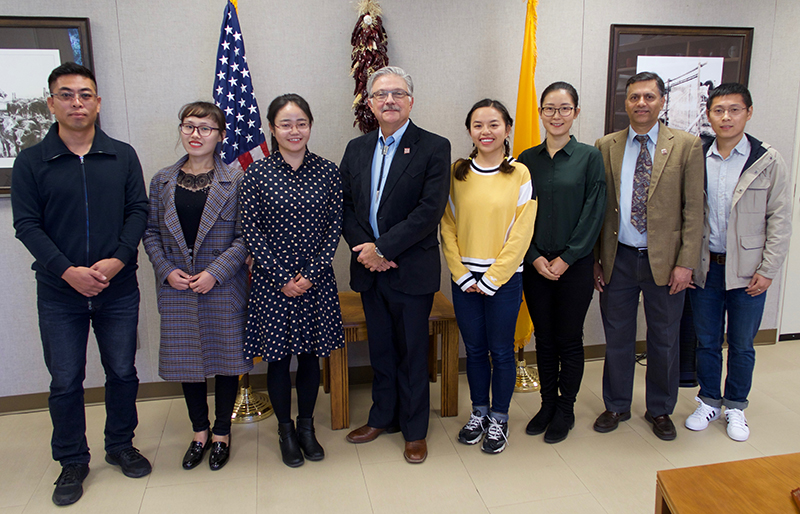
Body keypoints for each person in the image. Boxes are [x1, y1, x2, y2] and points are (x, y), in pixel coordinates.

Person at [11, 62, 150, 506]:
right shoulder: (32, 161)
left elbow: (138, 212)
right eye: (67, 94)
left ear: (98, 102)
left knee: (123, 372)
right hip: (59, 292)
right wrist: (68, 271)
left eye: (85, 94)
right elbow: (27, 225)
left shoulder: (122, 154)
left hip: (118, 287)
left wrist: (115, 261)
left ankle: (120, 445)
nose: (77, 102)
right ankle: (72, 460)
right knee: (66, 380)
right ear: (51, 103)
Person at [340, 66, 450, 464]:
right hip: (369, 272)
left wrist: (383, 249)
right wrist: (366, 251)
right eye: (381, 95)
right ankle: (382, 417)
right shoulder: (356, 149)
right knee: (382, 351)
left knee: (413, 353)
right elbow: (346, 208)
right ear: (369, 103)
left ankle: (415, 429)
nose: (389, 100)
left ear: (411, 101)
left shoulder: (434, 146)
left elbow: (428, 211)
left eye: (398, 94)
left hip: (410, 270)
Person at [593, 71, 704, 441]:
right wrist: (597, 259)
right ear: (625, 103)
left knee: (665, 339)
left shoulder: (687, 146)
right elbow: (599, 208)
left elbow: (694, 211)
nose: (641, 103)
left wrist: (686, 262)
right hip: (618, 258)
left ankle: (659, 409)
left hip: (667, 262)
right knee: (618, 337)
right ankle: (616, 404)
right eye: (634, 97)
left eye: (649, 97)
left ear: (662, 101)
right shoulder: (606, 145)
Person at [142, 101, 252, 471]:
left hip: (221, 287)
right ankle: (199, 432)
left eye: (205, 128)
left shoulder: (236, 179)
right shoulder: (162, 180)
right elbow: (151, 232)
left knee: (224, 359)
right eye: (188, 126)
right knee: (187, 363)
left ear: (220, 135)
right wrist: (166, 270)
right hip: (177, 288)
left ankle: (222, 432)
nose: (195, 134)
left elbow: (244, 237)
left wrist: (215, 272)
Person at [684, 83, 791, 442]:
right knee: (707, 340)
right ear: (709, 115)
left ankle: (736, 406)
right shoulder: (696, 155)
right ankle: (709, 399)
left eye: (734, 110)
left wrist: (768, 269)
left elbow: (780, 219)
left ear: (748, 112)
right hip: (706, 266)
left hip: (748, 271)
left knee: (743, 343)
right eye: (718, 110)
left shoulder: (767, 160)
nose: (725, 117)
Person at [241, 94, 344, 468]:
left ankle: (306, 428)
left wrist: (310, 274)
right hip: (273, 283)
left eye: (301, 122)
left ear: (310, 126)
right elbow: (251, 231)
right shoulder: (256, 174)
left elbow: (335, 228)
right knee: (279, 360)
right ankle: (285, 430)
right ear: (272, 128)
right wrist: (283, 277)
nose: (294, 130)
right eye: (285, 124)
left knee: (312, 356)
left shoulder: (329, 171)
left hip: (316, 280)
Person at [440, 99, 536, 453]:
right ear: (469, 131)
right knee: (476, 350)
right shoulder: (457, 173)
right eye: (478, 125)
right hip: (464, 278)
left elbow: (522, 232)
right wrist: (462, 275)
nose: (486, 132)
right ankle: (478, 412)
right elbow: (447, 227)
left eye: (494, 124)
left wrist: (494, 278)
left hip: (504, 280)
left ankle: (499, 417)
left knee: (501, 351)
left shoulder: (520, 174)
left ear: (507, 129)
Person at [517, 82, 606, 444]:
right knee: (545, 337)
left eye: (564, 108)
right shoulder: (526, 159)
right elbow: (518, 214)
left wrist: (568, 258)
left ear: (576, 113)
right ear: (540, 112)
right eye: (550, 109)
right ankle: (546, 404)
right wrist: (535, 256)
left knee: (569, 338)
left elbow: (594, 212)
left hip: (576, 266)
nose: (556, 115)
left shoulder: (589, 157)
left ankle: (565, 409)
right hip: (535, 265)